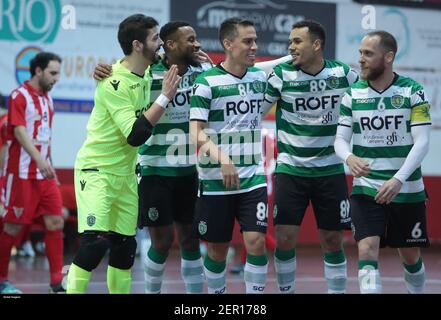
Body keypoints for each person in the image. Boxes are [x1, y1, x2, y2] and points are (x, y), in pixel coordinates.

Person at [94, 21, 289, 294]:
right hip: (155, 168)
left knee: (189, 240)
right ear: (171, 45)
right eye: (191, 39)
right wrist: (105, 69)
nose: (197, 44)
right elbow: (123, 72)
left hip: (189, 170)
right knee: (162, 242)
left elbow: (243, 72)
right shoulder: (149, 71)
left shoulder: (203, 71)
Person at [65, 14, 180, 294]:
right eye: (156, 39)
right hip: (97, 172)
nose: (161, 45)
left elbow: (180, 59)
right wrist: (164, 97)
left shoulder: (146, 72)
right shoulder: (114, 83)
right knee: (95, 244)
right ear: (138, 45)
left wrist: (197, 54)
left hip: (127, 175)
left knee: (125, 247)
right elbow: (135, 136)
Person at [261, 20, 358, 294]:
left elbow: (365, 103)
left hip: (330, 170)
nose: (291, 47)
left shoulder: (343, 74)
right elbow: (255, 112)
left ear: (316, 45)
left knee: (332, 239)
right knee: (284, 238)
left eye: (297, 41)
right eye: (290, 41)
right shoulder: (281, 74)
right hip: (291, 171)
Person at [334, 30, 431, 294]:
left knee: (410, 256)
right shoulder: (352, 94)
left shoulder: (413, 90)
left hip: (406, 189)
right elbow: (340, 140)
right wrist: (349, 156)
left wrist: (399, 179)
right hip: (366, 188)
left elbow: (422, 141)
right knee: (366, 249)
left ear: (388, 57)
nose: (361, 59)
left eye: (368, 53)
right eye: (360, 53)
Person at [190, 17, 271, 294]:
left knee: (256, 241)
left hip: (253, 177)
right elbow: (196, 132)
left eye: (255, 41)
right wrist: (223, 159)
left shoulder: (260, 78)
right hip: (215, 179)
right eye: (248, 41)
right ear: (228, 43)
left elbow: (288, 63)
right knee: (216, 249)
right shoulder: (206, 82)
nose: (254, 46)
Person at [0, 52, 65, 294]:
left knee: (55, 222)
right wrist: (39, 161)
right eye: (53, 73)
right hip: (21, 174)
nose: (57, 78)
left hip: (43, 174)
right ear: (38, 71)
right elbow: (19, 131)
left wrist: (51, 167)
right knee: (13, 227)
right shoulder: (19, 96)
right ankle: (2, 279)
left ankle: (57, 281)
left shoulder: (48, 99)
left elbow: (45, 140)